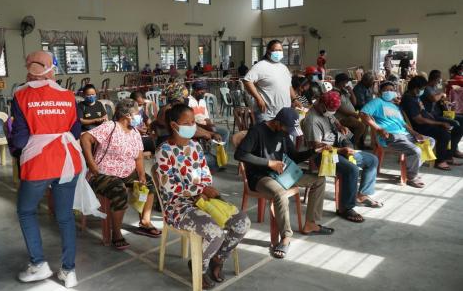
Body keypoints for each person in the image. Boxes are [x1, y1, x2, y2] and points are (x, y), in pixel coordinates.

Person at [155, 104, 250, 289]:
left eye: (193, 122)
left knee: (241, 222)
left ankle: (218, 259)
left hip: (203, 200)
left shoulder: (195, 146)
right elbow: (169, 187)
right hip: (178, 206)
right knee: (214, 231)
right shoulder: (164, 151)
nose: (192, 126)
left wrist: (205, 188)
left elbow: (205, 174)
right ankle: (199, 267)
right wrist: (199, 190)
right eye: (187, 123)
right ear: (174, 125)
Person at [12, 51, 82, 288]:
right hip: (68, 161)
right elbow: (74, 132)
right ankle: (69, 271)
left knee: (26, 211)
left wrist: (12, 141)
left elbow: (21, 140)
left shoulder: (21, 96)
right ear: (52, 69)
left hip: (38, 163)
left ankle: (39, 264)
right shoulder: (69, 95)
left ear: (29, 69)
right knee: (65, 217)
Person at [235, 108, 334, 259]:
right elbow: (240, 154)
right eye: (287, 129)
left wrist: (314, 151)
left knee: (319, 180)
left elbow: (294, 156)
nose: (288, 133)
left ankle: (310, 224)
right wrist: (269, 163)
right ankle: (286, 237)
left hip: (283, 173)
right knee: (280, 194)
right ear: (277, 123)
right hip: (261, 176)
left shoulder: (283, 133)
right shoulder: (257, 131)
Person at [81, 99, 161, 249]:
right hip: (103, 173)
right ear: (127, 115)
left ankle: (145, 221)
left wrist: (142, 175)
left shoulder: (135, 132)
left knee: (149, 183)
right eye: (137, 114)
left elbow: (138, 157)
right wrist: (91, 165)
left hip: (127, 172)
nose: (139, 117)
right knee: (119, 189)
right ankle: (116, 233)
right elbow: (85, 138)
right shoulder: (110, 127)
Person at [302, 91, 381, 223]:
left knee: (372, 160)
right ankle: (345, 208)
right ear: (321, 104)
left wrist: (340, 126)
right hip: (324, 155)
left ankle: (362, 194)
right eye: (330, 110)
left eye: (334, 110)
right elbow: (316, 148)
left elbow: (334, 120)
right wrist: (340, 151)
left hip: (338, 148)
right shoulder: (312, 120)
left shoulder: (326, 112)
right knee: (352, 170)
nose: (332, 113)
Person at [360, 81, 435, 188]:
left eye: (391, 90)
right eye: (386, 90)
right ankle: (411, 177)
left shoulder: (395, 106)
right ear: (381, 92)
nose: (389, 92)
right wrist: (378, 128)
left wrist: (415, 133)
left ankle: (411, 168)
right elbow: (363, 114)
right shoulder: (377, 102)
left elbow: (403, 124)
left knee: (430, 141)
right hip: (390, 136)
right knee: (415, 150)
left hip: (404, 135)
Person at [400, 76, 463, 170]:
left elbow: (422, 111)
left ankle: (449, 155)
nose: (422, 91)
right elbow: (418, 119)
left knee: (457, 126)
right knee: (444, 133)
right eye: (421, 89)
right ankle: (440, 161)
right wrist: (439, 123)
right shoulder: (409, 100)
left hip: (428, 121)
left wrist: (436, 118)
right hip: (419, 127)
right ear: (415, 88)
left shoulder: (414, 96)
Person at [243, 39, 295, 123]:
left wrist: (294, 99)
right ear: (268, 51)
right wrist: (259, 99)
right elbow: (247, 81)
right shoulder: (261, 66)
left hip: (284, 115)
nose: (278, 52)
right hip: (267, 114)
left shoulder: (284, 68)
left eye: (280, 50)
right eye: (275, 50)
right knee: (265, 135)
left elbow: (289, 86)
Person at [422, 70, 463, 158]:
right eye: (440, 79)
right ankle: (450, 152)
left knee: (461, 120)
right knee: (456, 124)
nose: (440, 81)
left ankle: (453, 148)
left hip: (439, 113)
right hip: (432, 116)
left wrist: (445, 101)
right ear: (437, 79)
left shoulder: (434, 88)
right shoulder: (427, 88)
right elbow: (433, 98)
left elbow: (439, 99)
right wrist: (441, 94)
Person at [188, 80, 230, 145]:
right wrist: (209, 130)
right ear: (195, 90)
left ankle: (220, 150)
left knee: (225, 132)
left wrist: (212, 127)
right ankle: (208, 145)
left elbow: (207, 118)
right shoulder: (188, 101)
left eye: (204, 92)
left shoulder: (202, 101)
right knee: (212, 134)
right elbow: (190, 122)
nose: (203, 94)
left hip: (206, 125)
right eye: (201, 92)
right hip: (196, 127)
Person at [333, 73, 366, 148]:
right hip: (340, 118)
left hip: (350, 116)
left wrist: (351, 92)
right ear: (341, 82)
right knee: (361, 126)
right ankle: (352, 144)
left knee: (364, 123)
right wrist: (354, 114)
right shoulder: (335, 92)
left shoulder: (344, 91)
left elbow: (354, 103)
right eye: (346, 82)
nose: (347, 84)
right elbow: (339, 108)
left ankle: (357, 143)